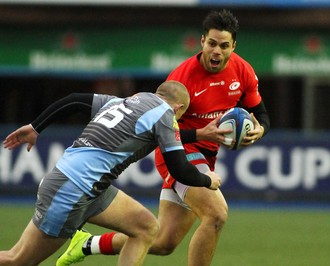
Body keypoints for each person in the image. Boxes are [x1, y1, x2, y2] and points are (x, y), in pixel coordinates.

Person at [59, 9, 270, 266]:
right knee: (216, 215)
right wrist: (202, 133)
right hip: (178, 152)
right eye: (212, 44)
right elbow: (160, 131)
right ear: (202, 41)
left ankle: (87, 243)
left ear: (233, 46)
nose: (217, 51)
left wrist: (260, 129)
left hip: (206, 156)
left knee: (162, 242)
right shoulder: (183, 79)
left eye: (224, 46)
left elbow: (260, 112)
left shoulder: (243, 70)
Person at [0, 81, 222, 266]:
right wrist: (206, 180)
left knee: (145, 227)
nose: (176, 122)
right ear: (178, 108)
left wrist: (36, 126)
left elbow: (75, 100)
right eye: (180, 115)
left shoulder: (124, 102)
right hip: (70, 191)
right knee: (17, 259)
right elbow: (180, 169)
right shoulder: (166, 115)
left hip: (87, 186)